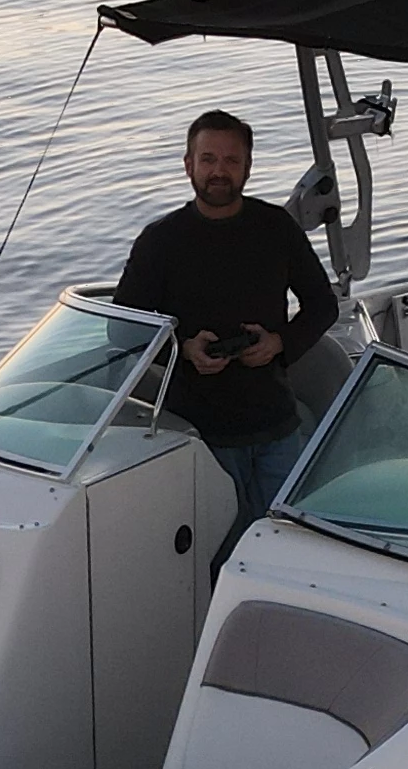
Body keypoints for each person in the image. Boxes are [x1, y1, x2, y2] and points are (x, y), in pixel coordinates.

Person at [113, 109, 339, 545]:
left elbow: (323, 305)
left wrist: (279, 342)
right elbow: (124, 331)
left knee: (287, 546)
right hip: (198, 434)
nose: (219, 171)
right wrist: (183, 348)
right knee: (216, 552)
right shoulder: (160, 241)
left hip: (276, 424)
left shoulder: (276, 227)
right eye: (208, 159)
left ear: (248, 167)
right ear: (188, 165)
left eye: (231, 161)